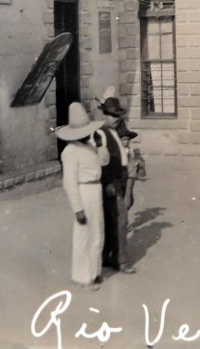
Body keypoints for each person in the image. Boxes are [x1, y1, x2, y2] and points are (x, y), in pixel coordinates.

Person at [56, 102, 106, 290]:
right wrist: (77, 208)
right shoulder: (71, 152)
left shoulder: (92, 145)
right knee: (83, 234)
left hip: (96, 190)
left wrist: (101, 147)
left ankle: (95, 272)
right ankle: (82, 276)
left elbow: (104, 162)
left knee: (97, 232)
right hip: (83, 192)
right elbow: (69, 182)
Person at [95, 96, 136, 274]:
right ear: (104, 114)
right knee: (119, 221)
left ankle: (110, 257)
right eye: (111, 115)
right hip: (110, 183)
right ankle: (120, 261)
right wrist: (107, 183)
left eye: (117, 115)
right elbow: (99, 162)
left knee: (114, 221)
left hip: (118, 182)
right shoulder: (101, 134)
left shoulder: (114, 132)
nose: (115, 118)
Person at [116, 120, 139, 213]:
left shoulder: (129, 152)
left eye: (128, 140)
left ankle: (123, 218)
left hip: (126, 180)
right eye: (124, 139)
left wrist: (128, 194)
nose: (126, 142)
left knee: (129, 200)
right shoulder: (115, 151)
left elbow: (132, 171)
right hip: (116, 181)